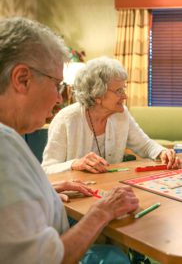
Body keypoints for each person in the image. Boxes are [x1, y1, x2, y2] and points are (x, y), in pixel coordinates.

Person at [0, 17, 139, 263]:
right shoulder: (4, 147)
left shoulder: (11, 139)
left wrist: (47, 189)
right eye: (57, 84)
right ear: (22, 79)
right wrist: (101, 212)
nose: (58, 97)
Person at [42, 56, 181, 174]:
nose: (125, 96)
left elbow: (145, 146)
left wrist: (163, 153)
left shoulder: (121, 114)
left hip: (111, 189)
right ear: (98, 95)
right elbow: (47, 169)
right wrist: (75, 164)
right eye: (119, 91)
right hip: (76, 195)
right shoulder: (66, 119)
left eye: (123, 89)